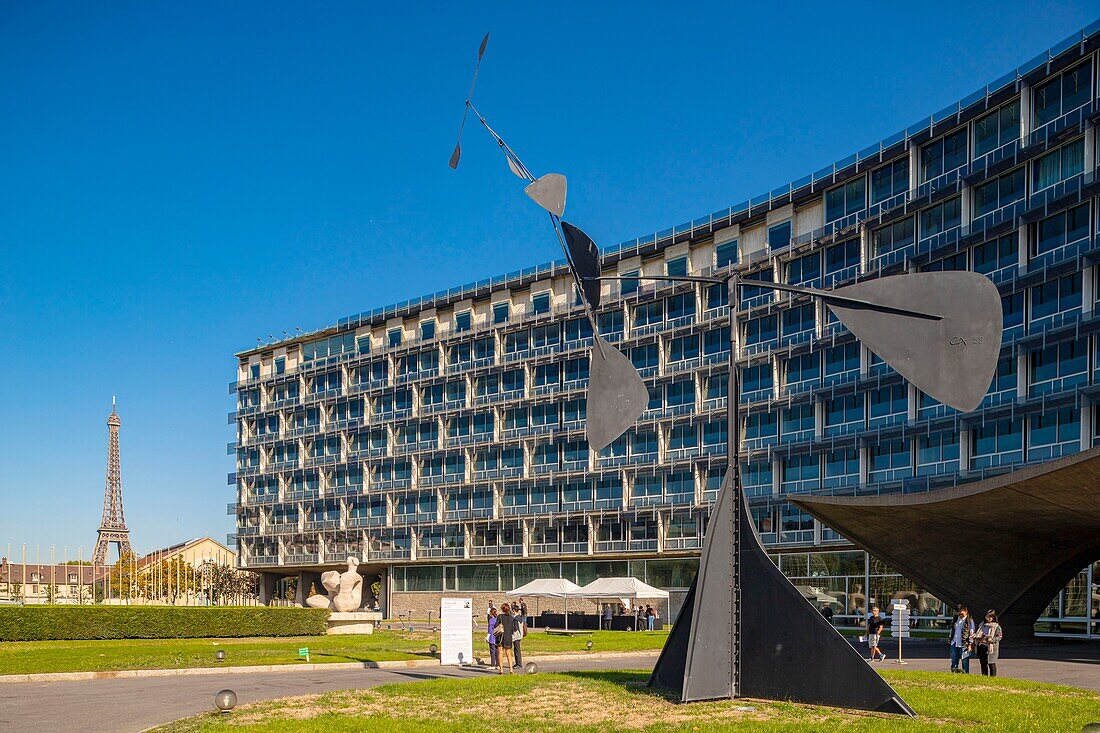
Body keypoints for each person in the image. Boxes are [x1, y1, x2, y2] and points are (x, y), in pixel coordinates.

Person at [974, 609, 1003, 677]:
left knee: (991, 663)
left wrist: (992, 640)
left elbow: (999, 637)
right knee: (983, 663)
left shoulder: (996, 626)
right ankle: (984, 677)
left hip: (991, 647)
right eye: (988, 616)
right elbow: (977, 633)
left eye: (991, 617)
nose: (989, 618)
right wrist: (977, 636)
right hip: (982, 645)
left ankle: (993, 678)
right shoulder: (981, 625)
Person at [949, 605, 976, 674]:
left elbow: (971, 634)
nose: (960, 615)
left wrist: (970, 644)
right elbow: (952, 629)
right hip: (954, 642)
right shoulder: (955, 618)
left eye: (962, 614)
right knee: (954, 660)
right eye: (958, 613)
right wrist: (950, 638)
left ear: (966, 612)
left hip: (964, 644)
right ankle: (954, 674)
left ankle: (965, 675)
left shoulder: (970, 621)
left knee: (965, 661)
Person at [497, 602, 515, 673]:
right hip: (508, 637)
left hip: (501, 637)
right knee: (508, 653)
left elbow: (496, 625)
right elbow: (513, 629)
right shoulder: (511, 618)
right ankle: (511, 669)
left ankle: (501, 669)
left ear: (502, 610)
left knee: (500, 652)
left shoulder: (500, 616)